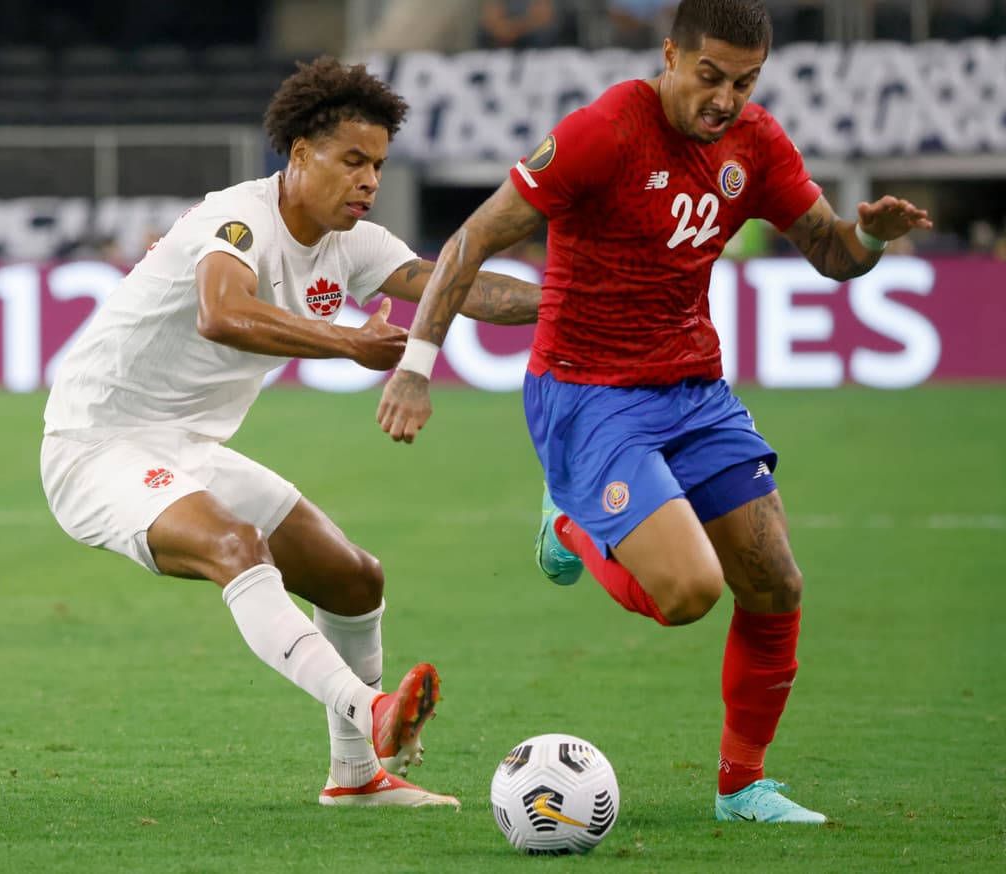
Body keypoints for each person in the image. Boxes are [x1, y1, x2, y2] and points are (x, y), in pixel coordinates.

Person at [376, 0, 931, 824]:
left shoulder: (757, 144)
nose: (726, 99)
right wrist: (417, 367)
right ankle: (569, 521)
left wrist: (871, 238)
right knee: (689, 594)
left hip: (694, 390)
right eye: (710, 76)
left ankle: (742, 788)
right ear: (670, 56)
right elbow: (471, 240)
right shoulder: (605, 132)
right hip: (589, 392)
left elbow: (831, 252)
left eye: (745, 83)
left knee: (776, 584)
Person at [41, 57, 541, 808]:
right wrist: (348, 342)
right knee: (236, 545)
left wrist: (574, 301)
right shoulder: (236, 219)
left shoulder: (355, 243)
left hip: (186, 448)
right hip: (97, 444)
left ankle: (356, 778)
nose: (368, 181)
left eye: (378, 165)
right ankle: (370, 710)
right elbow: (222, 313)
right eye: (352, 161)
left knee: (354, 579)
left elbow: (456, 286)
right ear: (300, 154)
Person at [477, 0, 561, 49]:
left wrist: (511, 29)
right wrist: (528, 23)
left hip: (539, 54)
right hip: (498, 54)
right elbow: (494, 22)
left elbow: (544, 17)